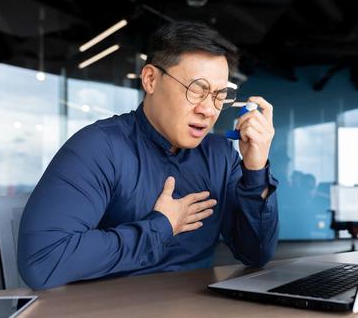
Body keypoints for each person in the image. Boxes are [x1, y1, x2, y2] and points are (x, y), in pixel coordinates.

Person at [17, 21, 279, 290]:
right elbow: (43, 262)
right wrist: (160, 227)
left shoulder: (219, 155)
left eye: (219, 95)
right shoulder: (98, 147)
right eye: (197, 90)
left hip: (196, 308)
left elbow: (256, 255)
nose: (209, 110)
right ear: (151, 79)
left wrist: (255, 170)